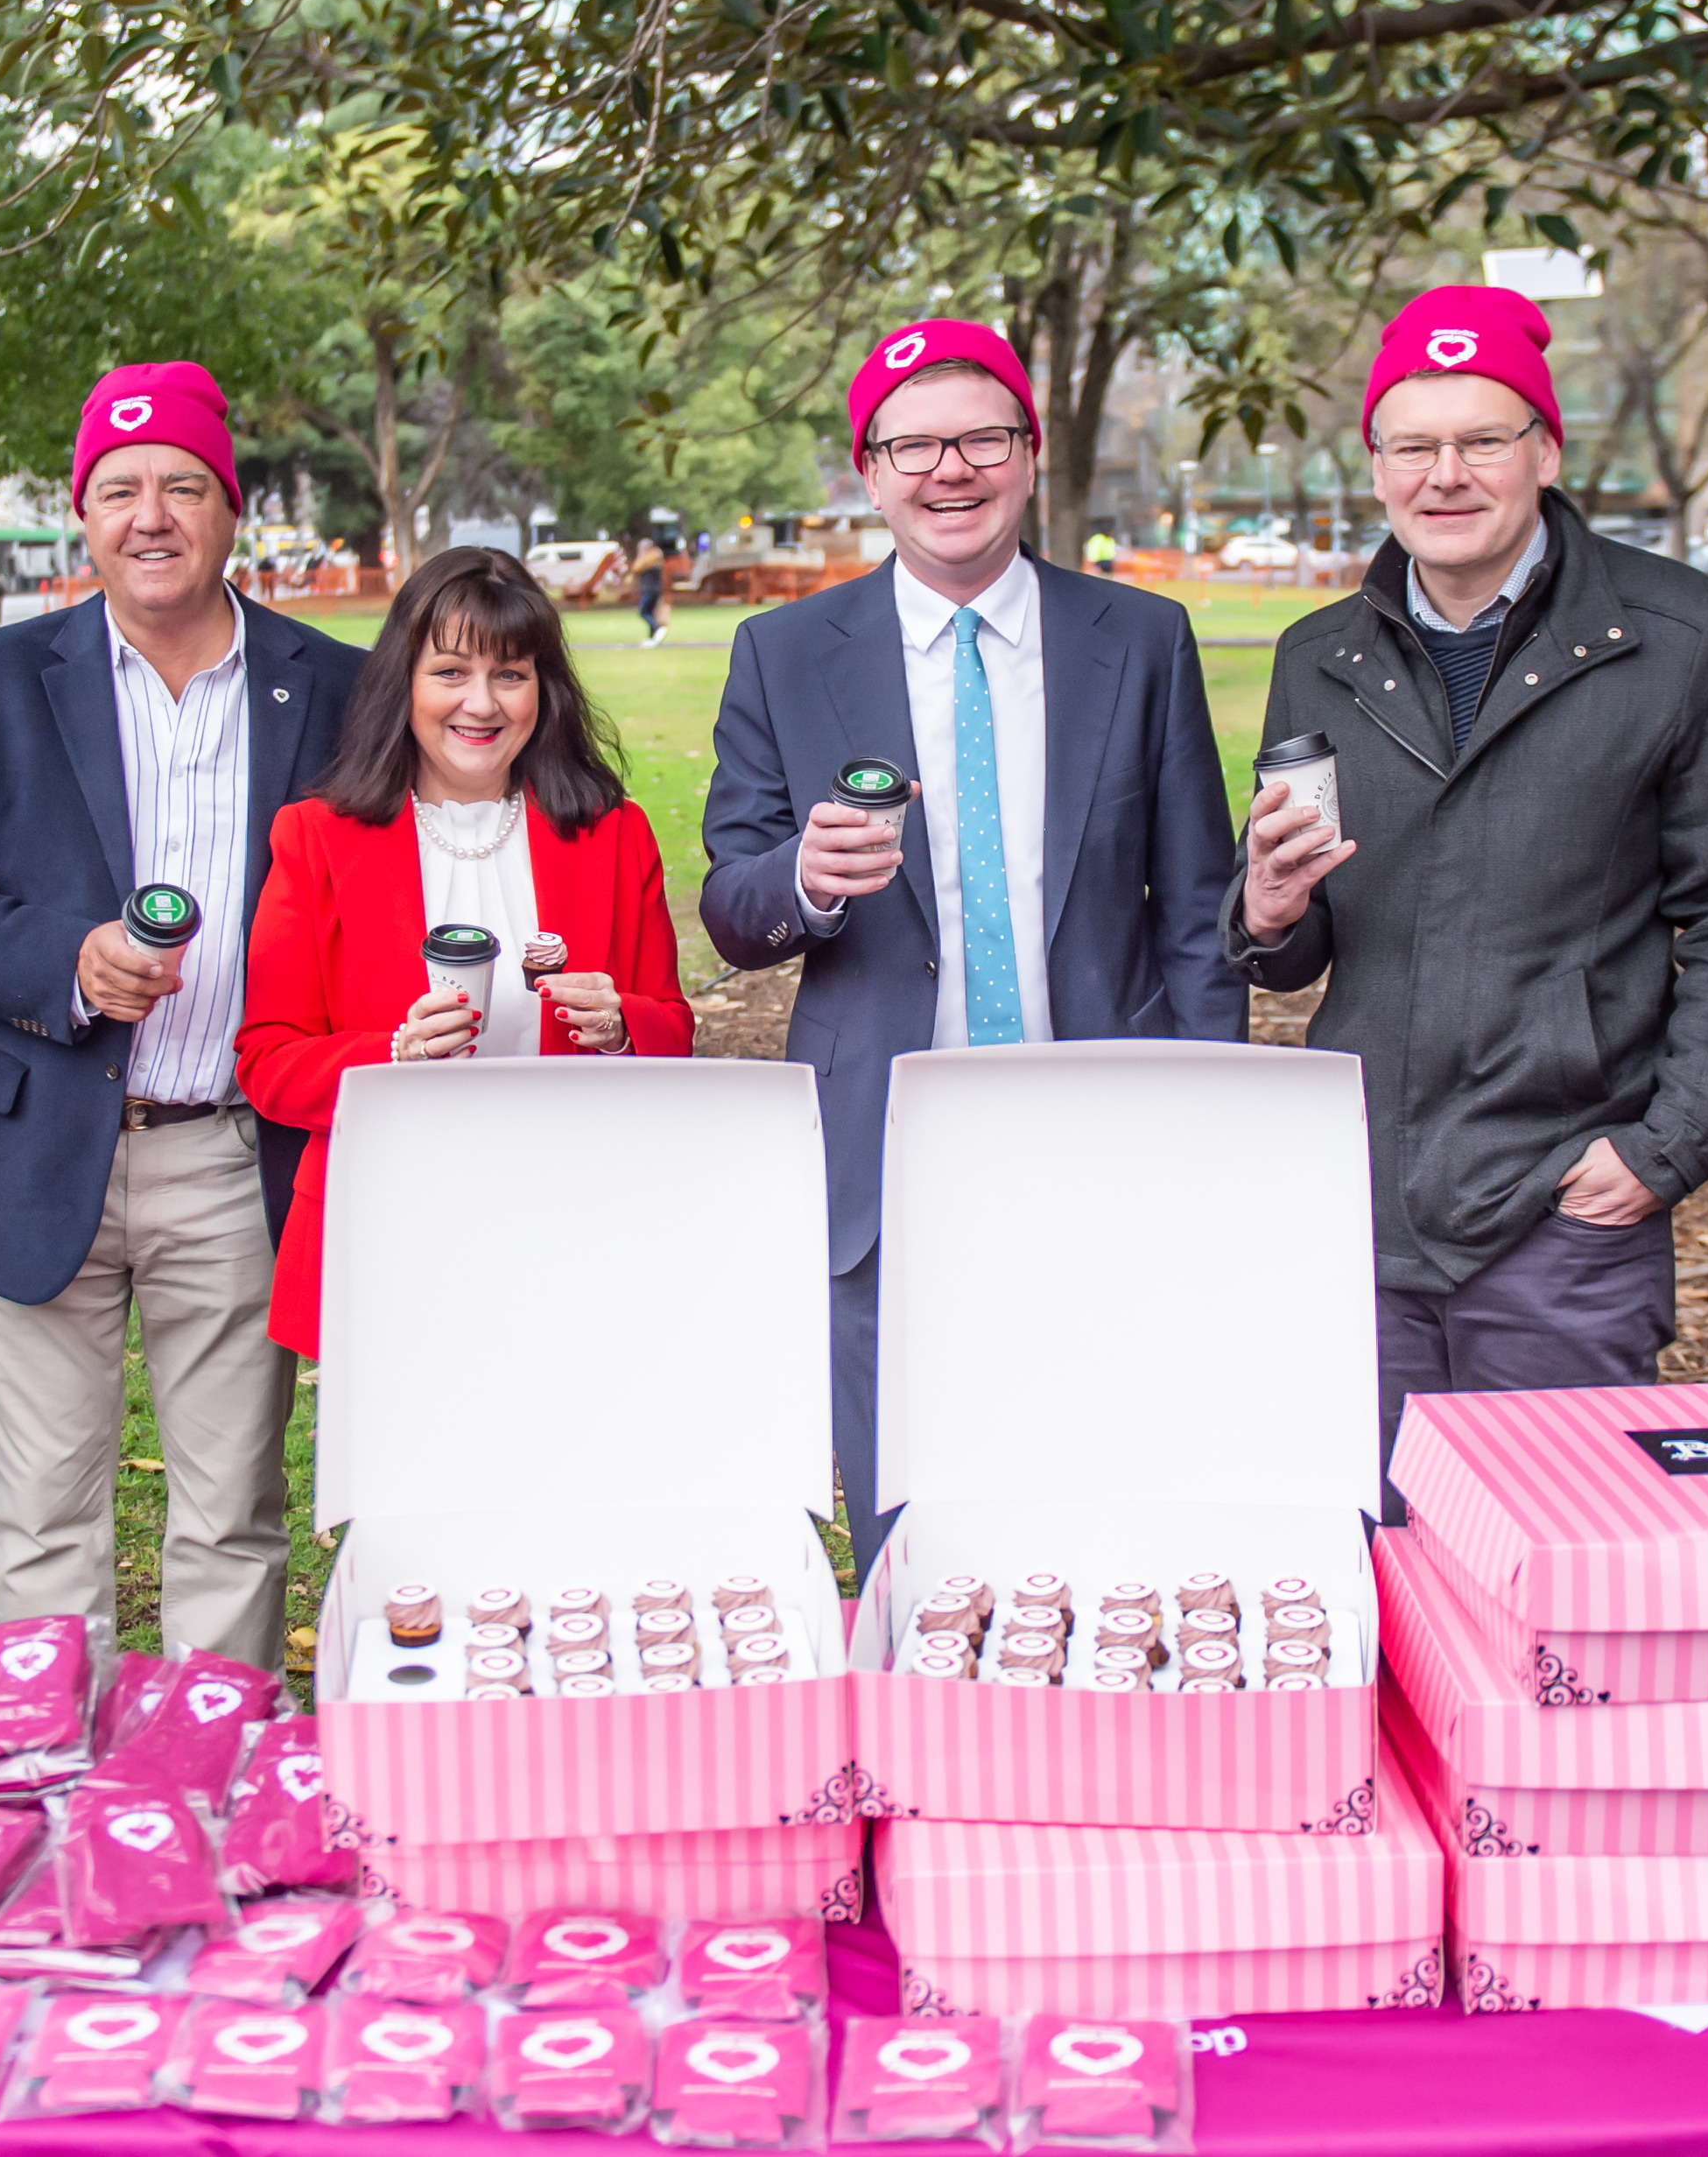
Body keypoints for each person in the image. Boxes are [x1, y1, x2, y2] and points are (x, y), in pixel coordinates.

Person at [1227, 283, 1708, 1502]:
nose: (1445, 473)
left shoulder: (1676, 633)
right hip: (1364, 1198)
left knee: (1549, 1577)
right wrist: (1265, 909)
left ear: (1543, 448)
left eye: (1480, 438)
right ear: (1372, 464)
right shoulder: (1316, 656)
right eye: (1411, 444)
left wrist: (1669, 1144)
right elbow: (1292, 939)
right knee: (1371, 1571)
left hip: (1561, 1201)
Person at [703, 319, 1247, 1569]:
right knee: (905, 1505)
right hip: (881, 1145)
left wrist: (1207, 1114)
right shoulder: (783, 653)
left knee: (1100, 1481)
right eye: (913, 446)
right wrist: (803, 878)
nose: (949, 471)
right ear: (869, 468)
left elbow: (1196, 907)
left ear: (1028, 452)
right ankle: (911, 1735)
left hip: (1098, 1123)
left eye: (980, 439)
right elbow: (733, 906)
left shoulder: (1138, 638)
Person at [0, 360, 363, 1671]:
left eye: (183, 485)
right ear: (83, 513)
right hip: (39, 1140)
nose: (151, 514)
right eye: (119, 488)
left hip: (234, 1144)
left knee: (231, 1518)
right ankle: (49, 1784)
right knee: (42, 1518)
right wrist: (66, 961)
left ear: (230, 508)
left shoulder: (331, 682)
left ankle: (212, 1792)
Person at [238, 548, 694, 1354]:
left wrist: (622, 1026)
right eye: (450, 672)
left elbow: (671, 1025)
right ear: (402, 683)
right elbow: (269, 1063)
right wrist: (390, 1054)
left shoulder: (614, 836)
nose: (481, 703)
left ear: (543, 690)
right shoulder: (316, 839)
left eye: (511, 675)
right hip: (388, 1227)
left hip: (579, 1227)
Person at [630, 532, 670, 647]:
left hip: (649, 589)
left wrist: (641, 554)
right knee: (649, 612)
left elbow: (636, 567)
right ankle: (652, 636)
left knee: (644, 612)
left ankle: (656, 630)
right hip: (654, 589)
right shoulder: (656, 557)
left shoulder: (650, 558)